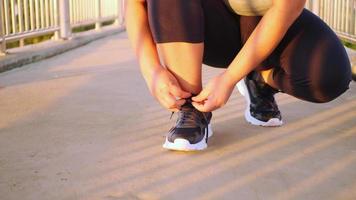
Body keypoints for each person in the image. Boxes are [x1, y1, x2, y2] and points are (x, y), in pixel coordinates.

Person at [126, 0, 352, 151]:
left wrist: (231, 77)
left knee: (329, 77)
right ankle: (191, 106)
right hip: (206, 24)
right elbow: (136, 3)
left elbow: (288, 7)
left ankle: (259, 80)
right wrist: (152, 71)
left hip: (267, 23)